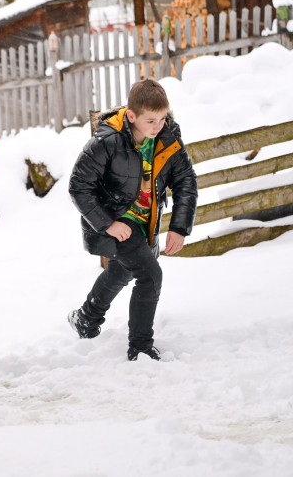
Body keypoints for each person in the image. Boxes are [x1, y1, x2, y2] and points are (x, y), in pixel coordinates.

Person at [67, 78, 198, 360]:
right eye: (150, 120)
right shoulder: (107, 141)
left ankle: (86, 317)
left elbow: (185, 180)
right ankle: (140, 346)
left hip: (145, 222)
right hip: (114, 223)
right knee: (151, 277)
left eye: (162, 118)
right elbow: (78, 186)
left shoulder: (168, 137)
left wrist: (179, 226)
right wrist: (108, 224)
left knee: (124, 270)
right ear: (131, 116)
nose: (158, 126)